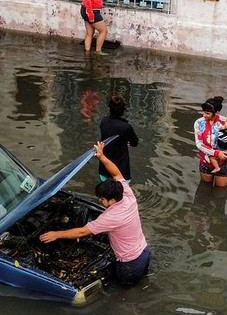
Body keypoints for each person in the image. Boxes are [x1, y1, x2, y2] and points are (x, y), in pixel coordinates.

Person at [40, 141, 150, 286]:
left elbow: (82, 232)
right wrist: (102, 156)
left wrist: (56, 234)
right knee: (143, 281)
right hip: (144, 252)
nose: (99, 201)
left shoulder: (111, 217)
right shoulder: (128, 195)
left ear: (111, 200)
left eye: (102, 199)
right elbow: (116, 173)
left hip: (130, 263)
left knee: (128, 293)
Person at [99, 95, 139, 181]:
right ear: (123, 110)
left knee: (106, 190)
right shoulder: (126, 127)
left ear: (109, 108)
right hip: (121, 168)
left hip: (105, 167)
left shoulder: (103, 122)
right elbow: (135, 143)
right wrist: (127, 142)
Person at [194, 99, 227, 187]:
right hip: (205, 161)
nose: (204, 115)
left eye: (207, 113)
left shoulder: (225, 122)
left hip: (223, 161)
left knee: (221, 191)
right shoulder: (199, 123)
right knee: (204, 188)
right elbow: (199, 144)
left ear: (216, 112)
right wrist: (216, 153)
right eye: (204, 112)